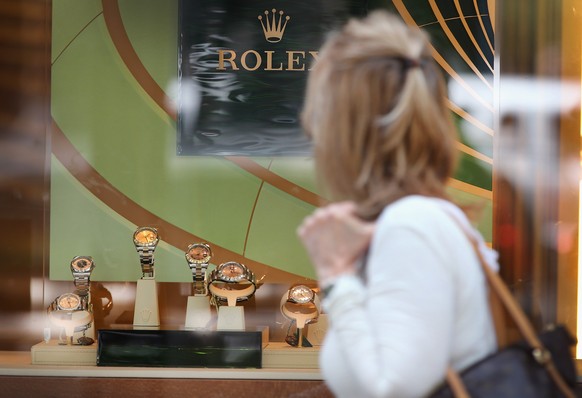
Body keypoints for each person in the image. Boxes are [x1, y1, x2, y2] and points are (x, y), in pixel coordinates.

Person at [297, 11, 498, 398]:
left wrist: (337, 279)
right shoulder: (423, 218)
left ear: (343, 131)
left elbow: (396, 387)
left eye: (319, 117)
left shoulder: (410, 224)